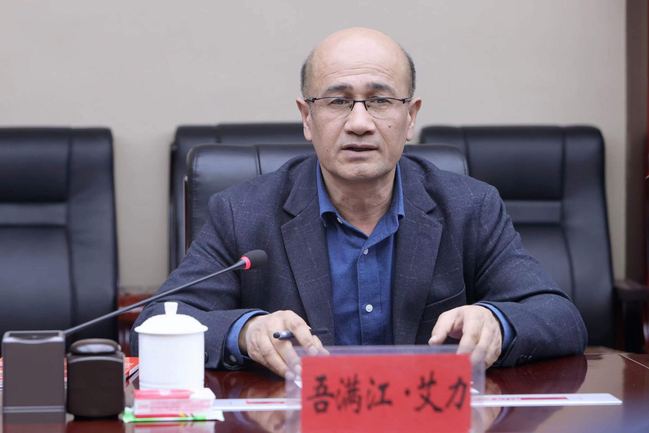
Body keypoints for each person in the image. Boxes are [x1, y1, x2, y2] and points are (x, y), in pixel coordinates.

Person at [132, 27, 587, 378]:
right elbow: (155, 322)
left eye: (380, 101)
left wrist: (496, 322)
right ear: (307, 118)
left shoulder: (470, 207)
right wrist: (245, 332)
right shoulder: (242, 213)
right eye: (337, 102)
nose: (360, 123)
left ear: (410, 117)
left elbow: (560, 317)